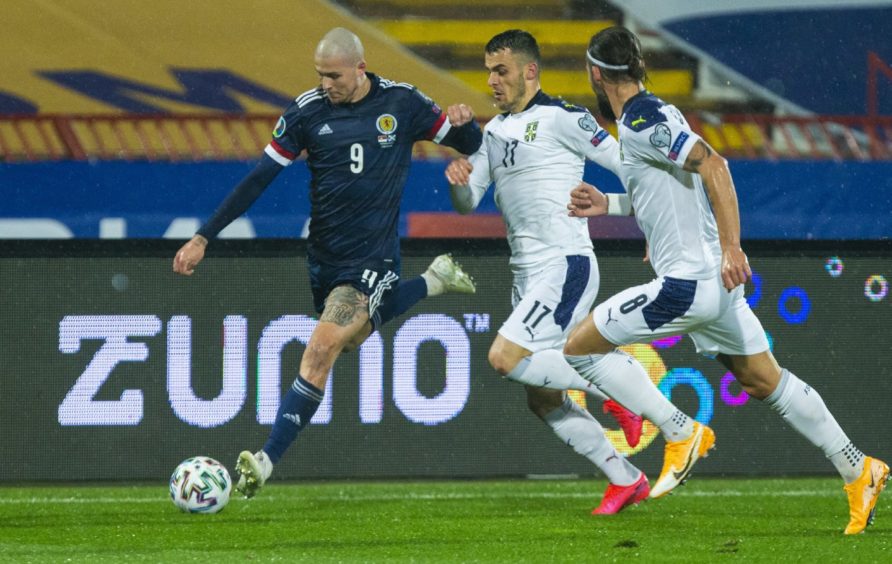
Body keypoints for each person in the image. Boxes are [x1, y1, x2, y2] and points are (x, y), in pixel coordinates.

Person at [564, 25, 888, 534]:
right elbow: (671, 192)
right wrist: (613, 205)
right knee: (765, 381)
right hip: (713, 285)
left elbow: (714, 166)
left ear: (595, 74)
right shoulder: (653, 114)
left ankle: (680, 432)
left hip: (688, 285)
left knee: (580, 348)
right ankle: (858, 467)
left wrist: (734, 245)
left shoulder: (643, 121)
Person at [172, 27, 482, 498]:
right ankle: (433, 281)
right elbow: (259, 179)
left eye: (333, 76)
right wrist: (203, 236)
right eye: (319, 75)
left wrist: (465, 123)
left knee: (320, 351)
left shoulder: (402, 103)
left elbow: (469, 143)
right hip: (324, 257)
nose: (325, 84)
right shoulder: (306, 111)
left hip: (372, 258)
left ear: (360, 68)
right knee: (351, 340)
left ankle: (266, 459)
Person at [444, 29, 699, 514]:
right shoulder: (492, 132)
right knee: (541, 397)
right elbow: (466, 202)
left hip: (564, 263)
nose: (492, 81)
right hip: (526, 274)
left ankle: (624, 397)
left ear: (529, 71)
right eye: (488, 72)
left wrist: (645, 220)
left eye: (501, 71)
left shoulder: (565, 118)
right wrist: (458, 174)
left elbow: (631, 167)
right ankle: (625, 478)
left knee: (504, 359)